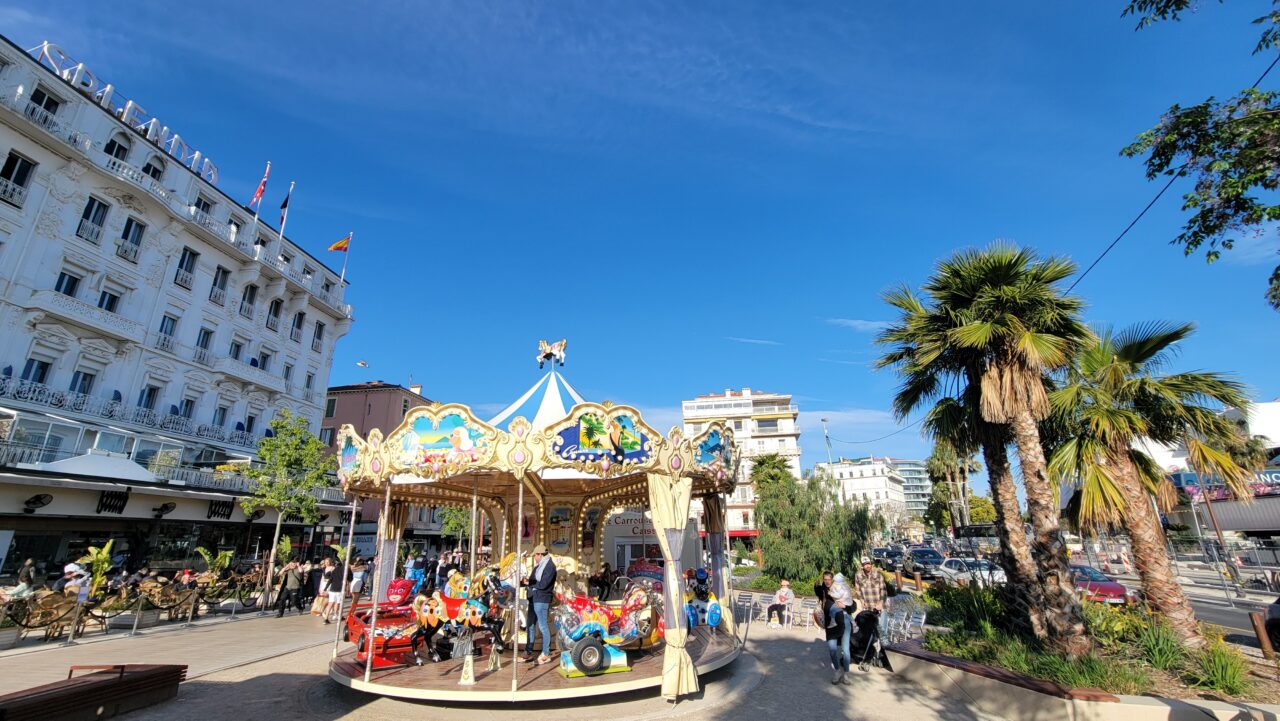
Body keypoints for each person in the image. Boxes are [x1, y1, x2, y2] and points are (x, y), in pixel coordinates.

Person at [520, 544, 556, 665]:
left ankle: (546, 653)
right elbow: (532, 580)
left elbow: (544, 584)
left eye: (535, 555)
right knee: (530, 624)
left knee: (542, 626)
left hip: (542, 599)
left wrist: (531, 585)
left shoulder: (550, 567)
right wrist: (525, 582)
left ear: (540, 555)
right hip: (533, 598)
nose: (534, 557)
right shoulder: (538, 567)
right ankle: (528, 651)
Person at [815, 571, 850, 684]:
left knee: (845, 650)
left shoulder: (841, 589)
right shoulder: (824, 591)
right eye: (825, 580)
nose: (827, 582)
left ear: (833, 579)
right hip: (830, 623)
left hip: (844, 620)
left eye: (829, 579)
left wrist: (845, 606)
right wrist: (816, 584)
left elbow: (852, 605)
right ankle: (837, 670)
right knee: (832, 649)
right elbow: (818, 591)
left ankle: (846, 674)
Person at [320, 557, 345, 624]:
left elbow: (330, 579)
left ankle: (326, 618)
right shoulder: (343, 571)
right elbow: (349, 579)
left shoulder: (333, 570)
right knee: (337, 603)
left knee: (331, 603)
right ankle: (336, 615)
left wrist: (325, 588)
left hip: (332, 588)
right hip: (339, 589)